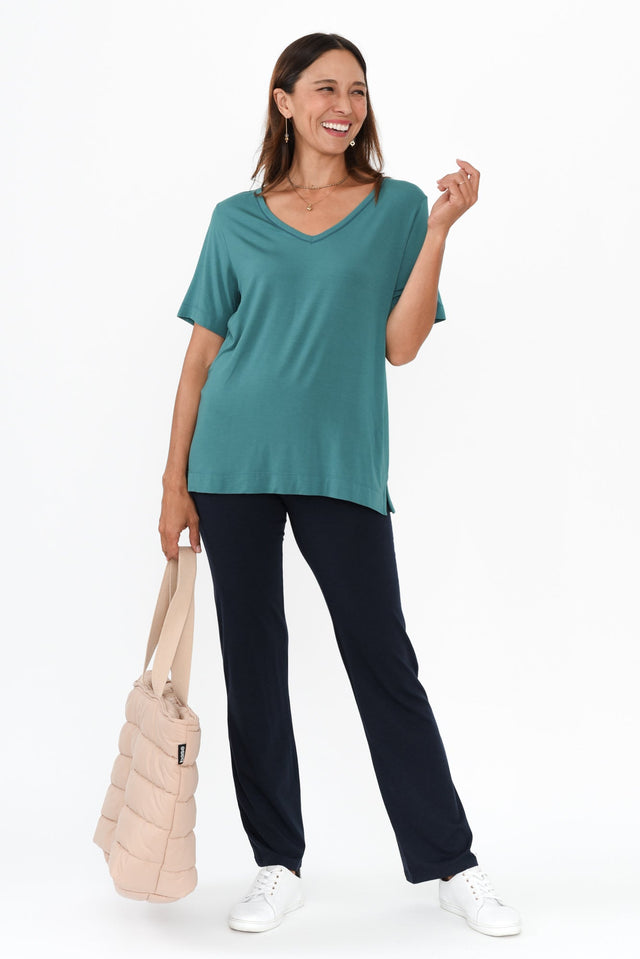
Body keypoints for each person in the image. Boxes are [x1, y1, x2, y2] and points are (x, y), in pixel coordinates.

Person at [159, 32, 522, 939]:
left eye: (357, 90)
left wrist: (439, 232)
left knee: (381, 658)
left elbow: (400, 345)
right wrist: (173, 482)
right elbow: (200, 360)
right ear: (284, 101)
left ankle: (452, 863)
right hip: (232, 465)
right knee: (254, 662)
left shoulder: (399, 207)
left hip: (339, 465)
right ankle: (276, 863)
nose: (345, 106)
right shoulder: (234, 220)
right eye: (325, 88)